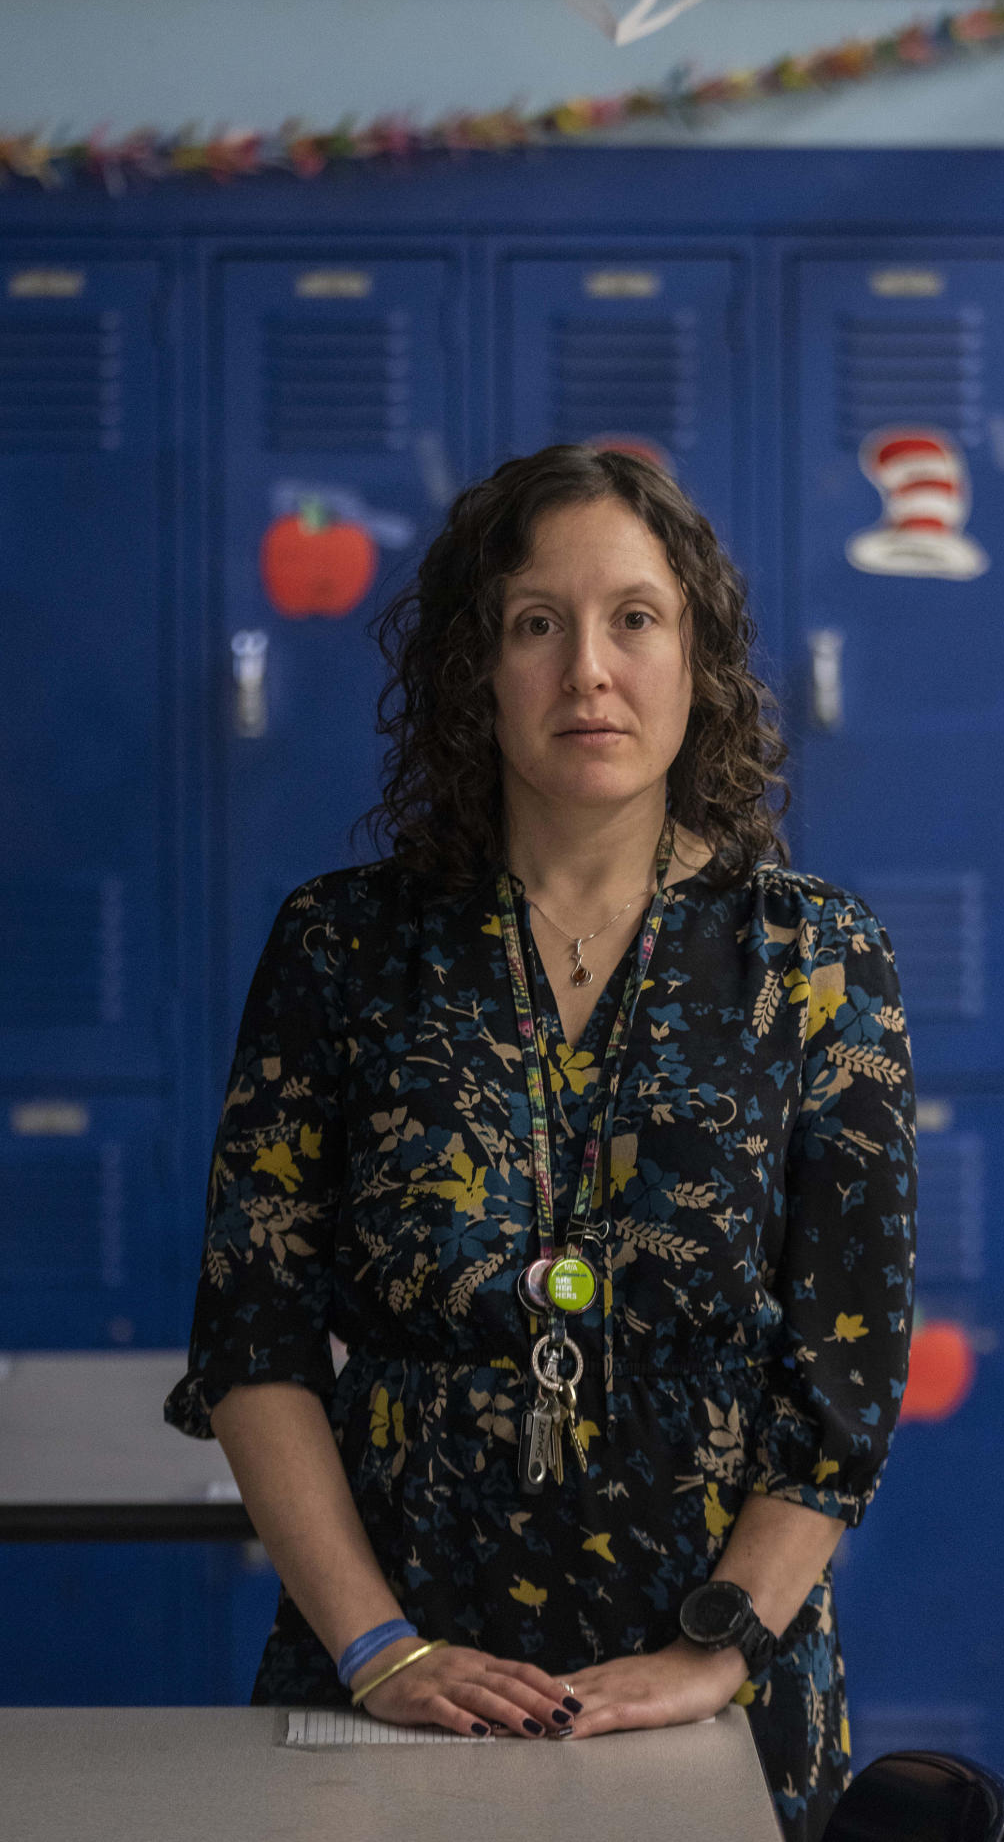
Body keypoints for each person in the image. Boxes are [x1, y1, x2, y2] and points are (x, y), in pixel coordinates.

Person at [164, 442, 918, 1842]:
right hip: (389, 1686)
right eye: (535, 624)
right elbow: (252, 1341)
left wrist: (713, 1653)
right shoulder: (342, 949)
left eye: (633, 618)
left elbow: (848, 1374)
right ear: (474, 670)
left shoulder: (815, 961)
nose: (588, 668)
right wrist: (381, 1649)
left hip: (716, 1693)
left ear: (696, 658)